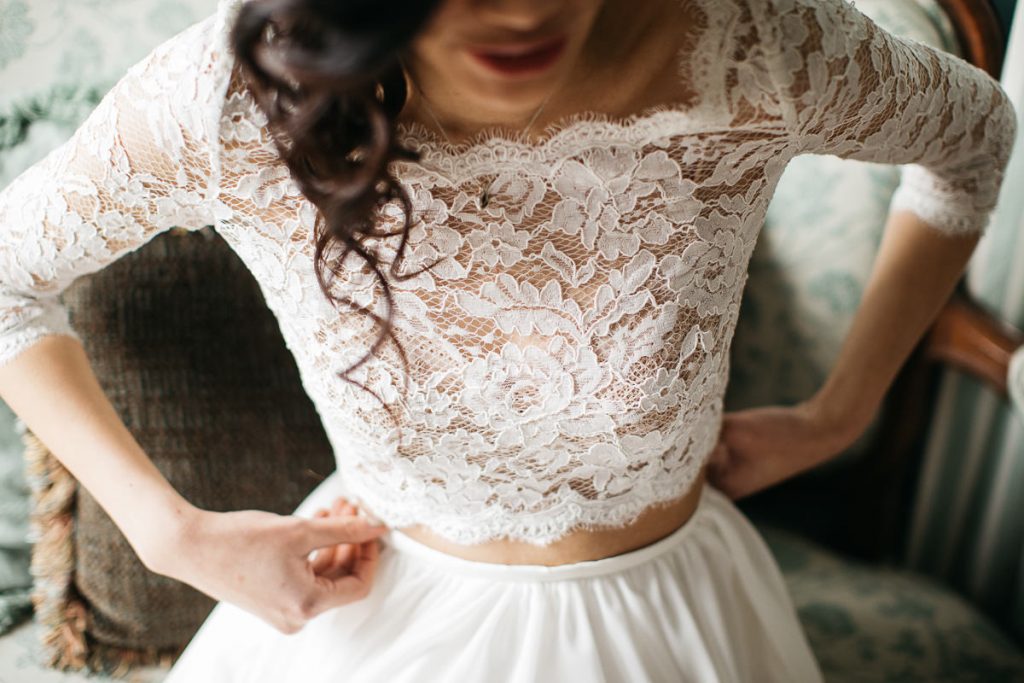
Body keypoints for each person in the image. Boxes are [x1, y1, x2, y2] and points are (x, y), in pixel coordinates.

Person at [0, 0, 1016, 679]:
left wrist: (838, 411)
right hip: (374, 621)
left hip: (671, 619)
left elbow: (973, 143)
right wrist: (166, 529)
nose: (525, 6)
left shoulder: (752, 49)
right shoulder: (225, 102)